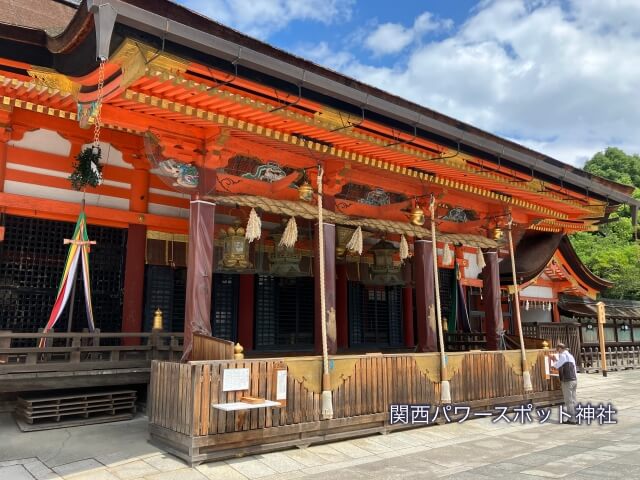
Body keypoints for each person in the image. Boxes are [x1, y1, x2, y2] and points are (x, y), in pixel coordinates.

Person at [549, 342, 578, 424]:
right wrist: (556, 360)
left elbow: (557, 365)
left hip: (567, 380)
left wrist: (553, 361)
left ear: (560, 349)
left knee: (568, 400)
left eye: (557, 350)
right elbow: (562, 363)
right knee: (573, 400)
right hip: (574, 379)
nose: (557, 352)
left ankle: (572, 420)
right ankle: (575, 417)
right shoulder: (570, 356)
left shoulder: (563, 355)